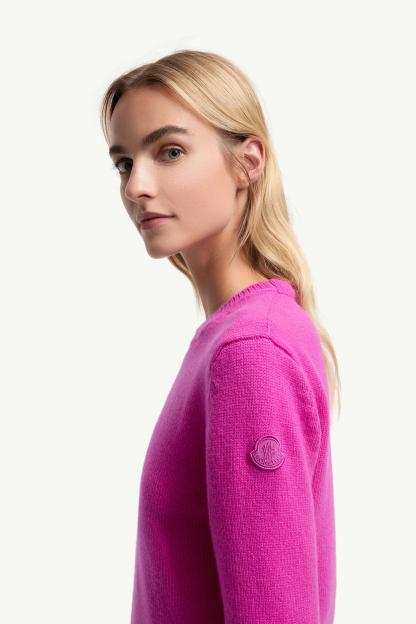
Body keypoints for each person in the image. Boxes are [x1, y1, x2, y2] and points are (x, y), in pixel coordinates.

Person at [100, 49, 341, 624]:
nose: (137, 186)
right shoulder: (246, 334)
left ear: (247, 163)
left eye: (169, 152)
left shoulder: (249, 351)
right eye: (124, 163)